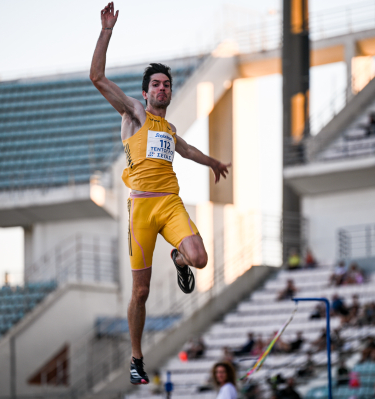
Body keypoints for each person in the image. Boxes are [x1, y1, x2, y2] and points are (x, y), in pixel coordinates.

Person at [90, 3, 231, 385]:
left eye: (167, 84)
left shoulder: (168, 129)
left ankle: (180, 259)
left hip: (169, 204)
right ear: (145, 91)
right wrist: (107, 31)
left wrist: (214, 163)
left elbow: (187, 151)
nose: (162, 88)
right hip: (140, 211)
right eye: (156, 84)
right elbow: (97, 77)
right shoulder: (134, 113)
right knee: (141, 291)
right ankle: (137, 357)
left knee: (200, 258)